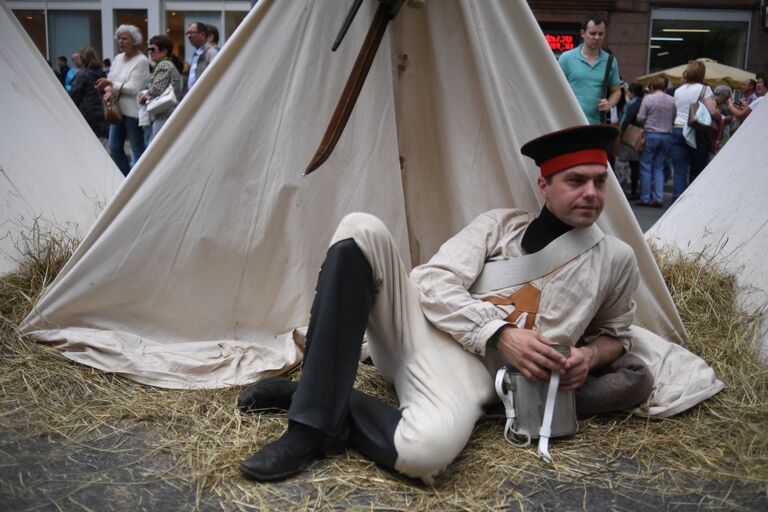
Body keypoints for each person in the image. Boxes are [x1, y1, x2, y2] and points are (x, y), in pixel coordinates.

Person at [236, 125, 653, 484]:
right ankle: (308, 428)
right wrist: (501, 333)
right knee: (360, 228)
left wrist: (588, 355)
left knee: (424, 454)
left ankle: (310, 394)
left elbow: (616, 335)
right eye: (575, 181)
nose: (591, 193)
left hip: (474, 377)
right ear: (544, 186)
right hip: (417, 334)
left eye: (600, 181)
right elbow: (431, 281)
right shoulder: (498, 225)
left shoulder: (615, 259)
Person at [96, 24, 150, 177]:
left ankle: (141, 181)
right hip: (116, 110)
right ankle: (125, 179)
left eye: (124, 38)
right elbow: (111, 78)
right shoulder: (118, 58)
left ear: (134, 41)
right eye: (119, 38)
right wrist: (105, 88)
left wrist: (111, 85)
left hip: (132, 111)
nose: (120, 41)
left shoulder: (141, 61)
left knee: (137, 149)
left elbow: (134, 88)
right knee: (114, 147)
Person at [668, 61, 721, 201]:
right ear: (701, 74)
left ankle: (676, 202)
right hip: (695, 130)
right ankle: (691, 202)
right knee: (696, 169)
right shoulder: (705, 90)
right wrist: (719, 114)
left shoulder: (678, 90)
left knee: (679, 171)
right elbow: (712, 111)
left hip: (678, 129)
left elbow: (675, 111)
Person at [558, 14, 622, 125]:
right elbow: (555, 89)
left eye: (601, 34)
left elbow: (616, 91)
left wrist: (609, 104)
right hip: (569, 124)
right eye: (592, 33)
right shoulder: (566, 58)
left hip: (596, 125)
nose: (597, 37)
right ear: (583, 33)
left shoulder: (610, 61)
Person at [636, 77, 675, 208]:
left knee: (646, 166)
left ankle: (645, 197)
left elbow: (640, 117)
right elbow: (674, 117)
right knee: (659, 167)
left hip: (651, 134)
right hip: (667, 135)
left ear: (652, 87)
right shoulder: (671, 100)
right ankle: (658, 198)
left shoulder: (648, 99)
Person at [138, 35, 182, 142]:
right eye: (148, 49)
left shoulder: (164, 65)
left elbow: (157, 89)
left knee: (155, 146)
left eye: (153, 49)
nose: (150, 52)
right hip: (166, 112)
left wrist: (145, 96)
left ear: (164, 51)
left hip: (164, 113)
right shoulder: (166, 64)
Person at [69, 46, 107, 141]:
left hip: (87, 114)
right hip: (102, 112)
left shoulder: (82, 75)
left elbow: (74, 95)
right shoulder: (102, 73)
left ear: (83, 59)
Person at [618, 83, 644, 200]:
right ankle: (636, 190)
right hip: (643, 134)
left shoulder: (633, 105)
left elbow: (626, 119)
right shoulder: (643, 101)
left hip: (633, 135)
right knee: (637, 164)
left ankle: (633, 191)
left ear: (632, 93)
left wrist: (621, 131)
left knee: (634, 164)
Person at [185, 22, 218, 90]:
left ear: (202, 34)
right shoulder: (197, 54)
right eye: (187, 33)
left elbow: (215, 75)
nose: (189, 36)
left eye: (191, 33)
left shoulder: (211, 53)